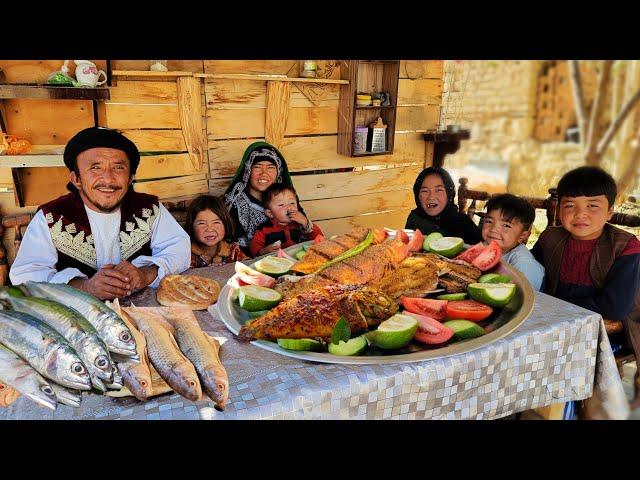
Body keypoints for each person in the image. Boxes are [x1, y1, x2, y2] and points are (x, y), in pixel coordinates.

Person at [9, 127, 191, 300]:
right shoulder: (51, 218)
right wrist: (84, 287)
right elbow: (25, 276)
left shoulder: (149, 209)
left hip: (144, 318)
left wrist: (145, 274)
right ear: (76, 179)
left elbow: (179, 250)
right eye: (96, 167)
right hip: (75, 324)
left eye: (118, 167)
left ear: (130, 179)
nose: (108, 179)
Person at [531, 166, 640, 358]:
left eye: (592, 205)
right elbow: (532, 274)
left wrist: (552, 306)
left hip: (607, 332)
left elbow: (615, 307)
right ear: (559, 209)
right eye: (570, 205)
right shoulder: (550, 239)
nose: (580, 214)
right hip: (553, 324)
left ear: (609, 212)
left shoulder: (625, 247)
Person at [224, 141, 296, 255]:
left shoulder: (287, 199)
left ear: (278, 172)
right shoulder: (235, 205)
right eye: (257, 167)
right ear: (247, 171)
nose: (264, 173)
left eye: (270, 167)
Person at [481, 194, 545, 290]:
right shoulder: (485, 247)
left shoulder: (523, 265)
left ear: (522, 236)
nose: (493, 229)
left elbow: (524, 298)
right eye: (489, 221)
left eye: (506, 225)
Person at [405, 166, 482, 245]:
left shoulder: (463, 224)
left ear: (449, 193)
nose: (431, 197)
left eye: (439, 190)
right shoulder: (415, 218)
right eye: (424, 191)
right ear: (417, 195)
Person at [249, 183, 323, 257]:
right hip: (279, 263)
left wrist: (305, 222)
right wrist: (264, 251)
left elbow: (319, 239)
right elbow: (254, 248)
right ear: (270, 213)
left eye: (292, 203)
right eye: (281, 205)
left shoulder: (300, 223)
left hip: (302, 259)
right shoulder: (264, 229)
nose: (289, 207)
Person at [185, 195, 247, 268]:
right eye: (201, 223)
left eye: (216, 222)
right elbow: (181, 277)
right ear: (191, 226)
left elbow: (249, 268)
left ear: (226, 224)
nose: (209, 229)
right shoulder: (186, 254)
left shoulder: (233, 250)